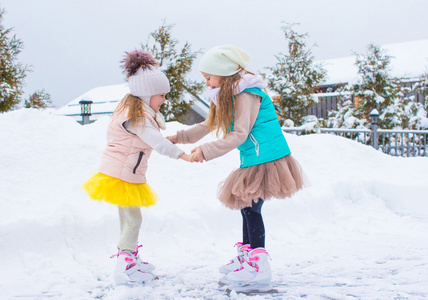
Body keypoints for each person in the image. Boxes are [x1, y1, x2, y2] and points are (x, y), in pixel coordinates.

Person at [167, 45, 309, 292]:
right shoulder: (228, 94)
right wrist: (180, 136)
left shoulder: (247, 94)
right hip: (253, 155)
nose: (208, 83)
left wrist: (207, 151)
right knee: (247, 206)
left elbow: (240, 133)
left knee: (252, 207)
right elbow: (208, 124)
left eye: (208, 77)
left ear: (223, 72)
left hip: (265, 156)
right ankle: (248, 258)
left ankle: (259, 267)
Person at [82, 49, 193, 286]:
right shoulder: (138, 117)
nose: (164, 100)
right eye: (161, 95)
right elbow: (157, 143)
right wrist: (184, 156)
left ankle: (130, 258)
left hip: (122, 171)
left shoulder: (133, 110)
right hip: (124, 173)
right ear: (147, 94)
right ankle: (125, 266)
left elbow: (154, 137)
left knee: (130, 219)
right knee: (133, 220)